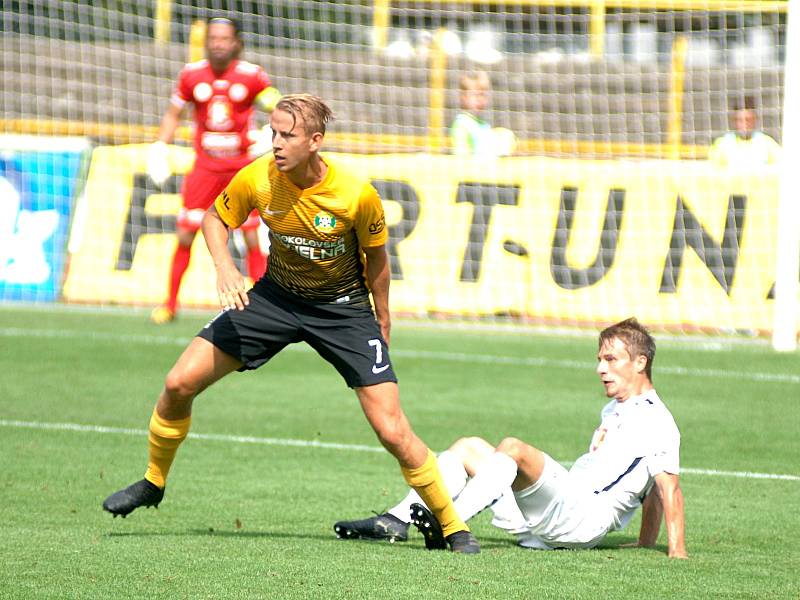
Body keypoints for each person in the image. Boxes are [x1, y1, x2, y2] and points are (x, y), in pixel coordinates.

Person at [102, 94, 479, 554]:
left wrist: (381, 317)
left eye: (288, 135)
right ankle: (153, 482)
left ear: (315, 141)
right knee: (179, 382)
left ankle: (453, 525)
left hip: (343, 310)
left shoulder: (355, 194)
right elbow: (214, 219)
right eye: (273, 133)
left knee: (392, 430)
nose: (276, 143)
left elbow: (377, 260)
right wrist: (225, 268)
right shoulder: (259, 176)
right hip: (274, 299)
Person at [335, 317, 688, 559]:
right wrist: (643, 542)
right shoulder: (615, 410)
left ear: (640, 363)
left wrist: (677, 551)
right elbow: (650, 490)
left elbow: (666, 487)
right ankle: (395, 522)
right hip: (554, 518)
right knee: (468, 447)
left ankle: (450, 525)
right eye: (599, 359)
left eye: (611, 359)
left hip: (582, 519)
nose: (600, 368)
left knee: (514, 449)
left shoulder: (657, 420)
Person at [148, 15, 281, 324]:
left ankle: (263, 306)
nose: (218, 44)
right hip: (205, 168)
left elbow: (277, 107)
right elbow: (172, 114)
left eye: (224, 38)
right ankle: (169, 304)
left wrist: (268, 134)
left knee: (251, 238)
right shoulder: (191, 76)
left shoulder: (252, 77)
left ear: (236, 43)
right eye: (213, 38)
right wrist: (160, 147)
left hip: (241, 170)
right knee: (185, 232)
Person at [450, 70, 516, 158]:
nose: (480, 99)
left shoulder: (484, 124)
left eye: (483, 95)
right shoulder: (461, 125)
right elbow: (461, 157)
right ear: (463, 97)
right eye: (475, 95)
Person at [708, 95, 781, 169]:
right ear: (734, 121)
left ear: (755, 120)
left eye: (748, 120)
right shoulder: (722, 143)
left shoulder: (767, 143)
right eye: (740, 120)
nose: (744, 125)